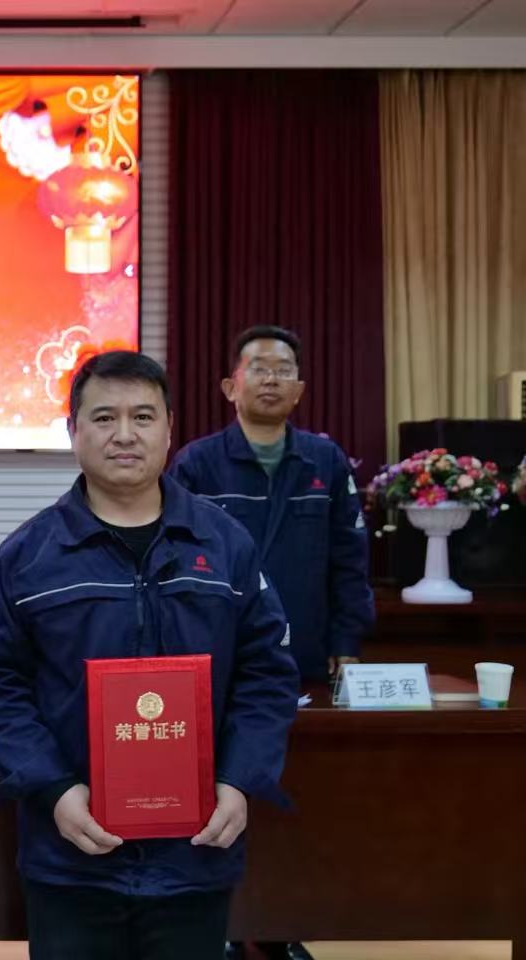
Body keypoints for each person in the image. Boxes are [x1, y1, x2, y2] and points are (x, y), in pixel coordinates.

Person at [0, 350, 299, 960]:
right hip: (71, 855)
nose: (124, 434)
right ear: (74, 432)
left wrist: (239, 780)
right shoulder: (30, 554)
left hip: (196, 852)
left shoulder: (226, 545)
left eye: (143, 417)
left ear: (169, 429)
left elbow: (266, 675)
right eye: (104, 417)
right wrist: (54, 789)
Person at [169, 328, 374, 960]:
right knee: (217, 797)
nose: (271, 378)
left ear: (300, 389)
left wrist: (347, 642)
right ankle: (223, 930)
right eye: (258, 367)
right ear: (230, 386)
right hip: (218, 663)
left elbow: (350, 559)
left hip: (303, 661)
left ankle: (280, 930)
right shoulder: (197, 464)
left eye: (284, 368)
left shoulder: (324, 461)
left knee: (293, 801)